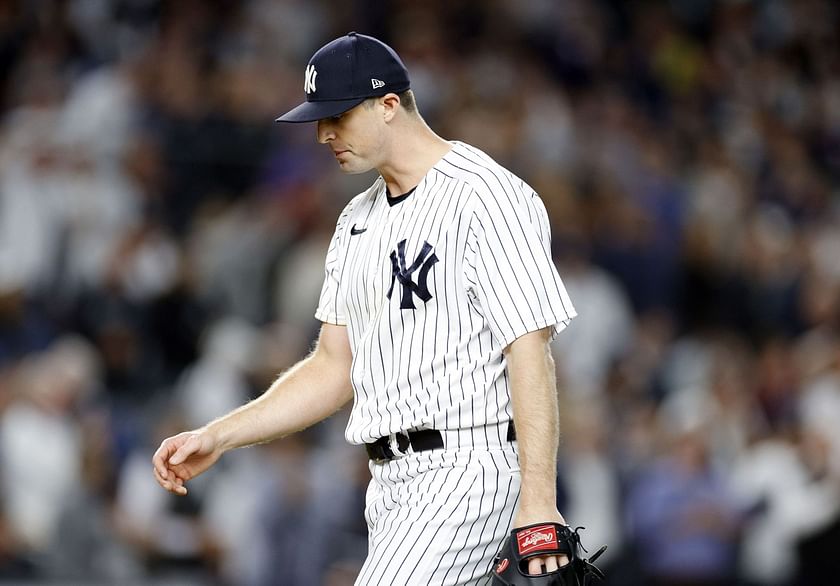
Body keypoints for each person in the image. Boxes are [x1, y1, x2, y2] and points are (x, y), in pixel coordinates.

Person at [153, 32, 577, 585]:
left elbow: (530, 348)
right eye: (319, 120)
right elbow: (332, 366)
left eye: (339, 116)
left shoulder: (487, 196)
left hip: (469, 467)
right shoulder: (356, 220)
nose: (325, 133)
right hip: (389, 486)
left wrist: (540, 501)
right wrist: (221, 435)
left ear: (389, 105)